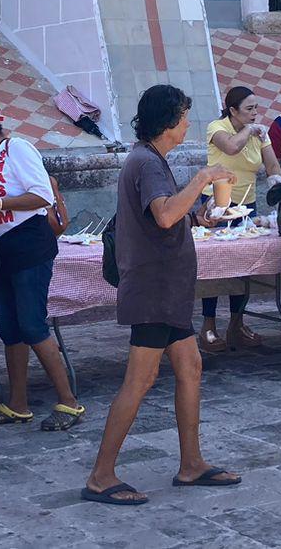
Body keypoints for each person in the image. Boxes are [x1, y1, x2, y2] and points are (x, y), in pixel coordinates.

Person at [82, 85, 238, 506]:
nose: (188, 123)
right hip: (153, 289)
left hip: (167, 290)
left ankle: (191, 464)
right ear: (168, 122)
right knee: (140, 380)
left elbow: (171, 210)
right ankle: (101, 475)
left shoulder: (151, 159)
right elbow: (165, 214)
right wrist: (203, 178)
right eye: (185, 116)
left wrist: (197, 211)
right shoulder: (147, 162)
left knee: (191, 368)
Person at [0, 96, 86, 432]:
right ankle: (17, 403)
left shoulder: (18, 149)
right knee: (10, 328)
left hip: (28, 246)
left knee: (32, 325)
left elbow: (42, 195)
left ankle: (68, 401)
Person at [199, 86, 281, 352]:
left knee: (243, 263)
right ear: (233, 111)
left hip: (246, 205)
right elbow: (232, 147)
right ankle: (208, 324)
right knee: (214, 263)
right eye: (249, 109)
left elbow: (271, 165)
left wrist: (278, 185)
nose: (254, 114)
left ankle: (237, 322)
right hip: (217, 202)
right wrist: (250, 131)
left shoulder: (259, 133)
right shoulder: (217, 127)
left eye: (256, 109)